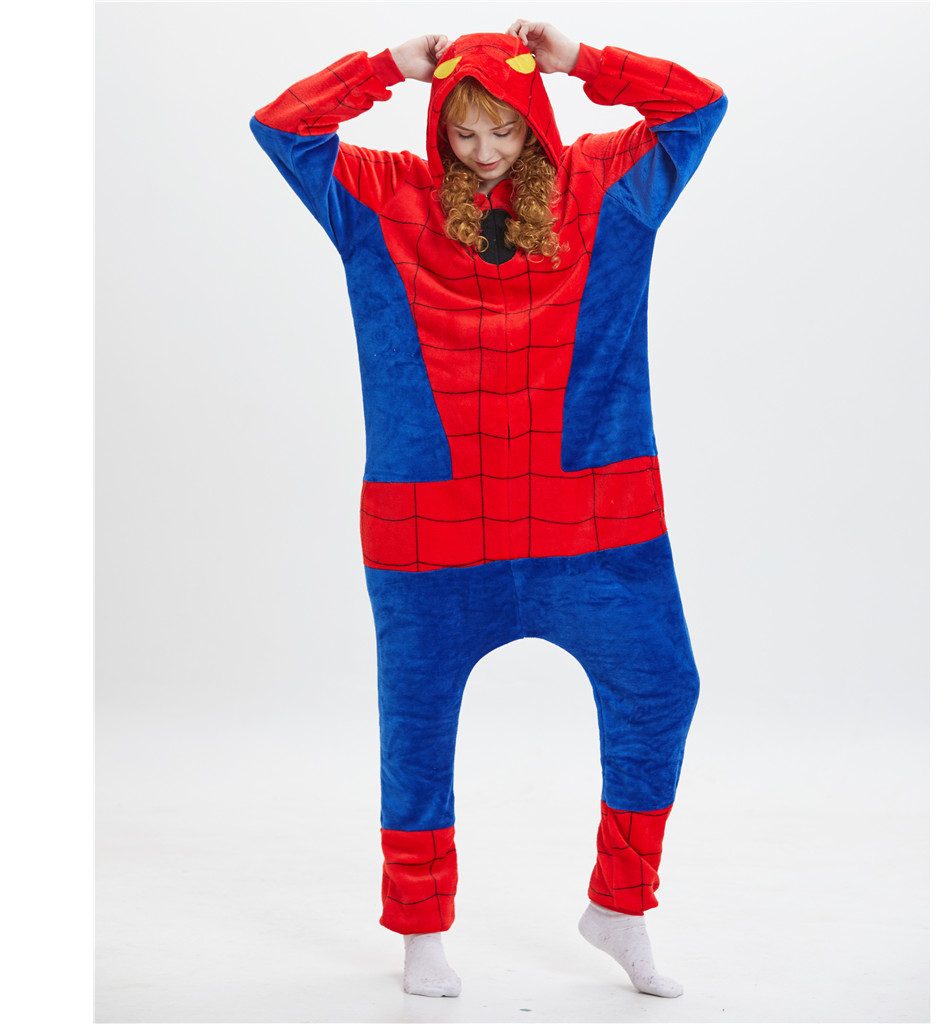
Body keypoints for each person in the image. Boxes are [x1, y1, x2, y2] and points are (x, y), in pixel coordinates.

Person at [251, 17, 727, 1000]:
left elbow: (699, 110)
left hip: (593, 519)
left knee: (662, 687)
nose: (484, 151)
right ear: (438, 125)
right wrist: (386, 68)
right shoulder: (383, 197)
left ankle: (620, 905)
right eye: (463, 132)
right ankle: (421, 930)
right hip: (432, 529)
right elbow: (281, 129)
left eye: (504, 130)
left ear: (534, 119)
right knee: (417, 729)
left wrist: (583, 61)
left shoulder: (606, 187)